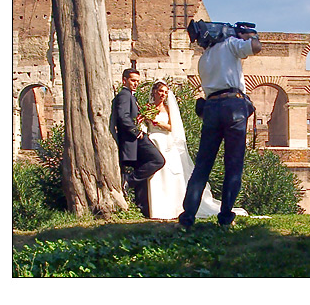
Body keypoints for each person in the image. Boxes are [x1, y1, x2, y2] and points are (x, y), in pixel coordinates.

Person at [178, 29, 262, 229]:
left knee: (202, 166)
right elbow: (256, 47)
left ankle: (188, 217)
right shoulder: (230, 44)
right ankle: (225, 218)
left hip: (211, 108)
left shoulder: (203, 58)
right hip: (233, 105)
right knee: (233, 165)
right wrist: (248, 36)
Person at [144, 80, 247, 220]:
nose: (163, 94)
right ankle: (155, 209)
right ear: (154, 91)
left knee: (170, 175)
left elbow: (172, 127)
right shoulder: (147, 108)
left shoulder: (168, 110)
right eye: (161, 91)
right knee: (156, 176)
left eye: (165, 92)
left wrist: (159, 124)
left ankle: (171, 208)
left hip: (165, 142)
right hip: (152, 142)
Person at [111, 68, 165, 217]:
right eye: (133, 80)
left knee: (143, 169)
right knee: (158, 160)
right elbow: (123, 117)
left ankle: (142, 208)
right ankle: (129, 180)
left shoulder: (130, 96)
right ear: (124, 80)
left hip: (135, 139)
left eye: (137, 82)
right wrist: (137, 132)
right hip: (134, 139)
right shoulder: (124, 95)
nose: (136, 84)